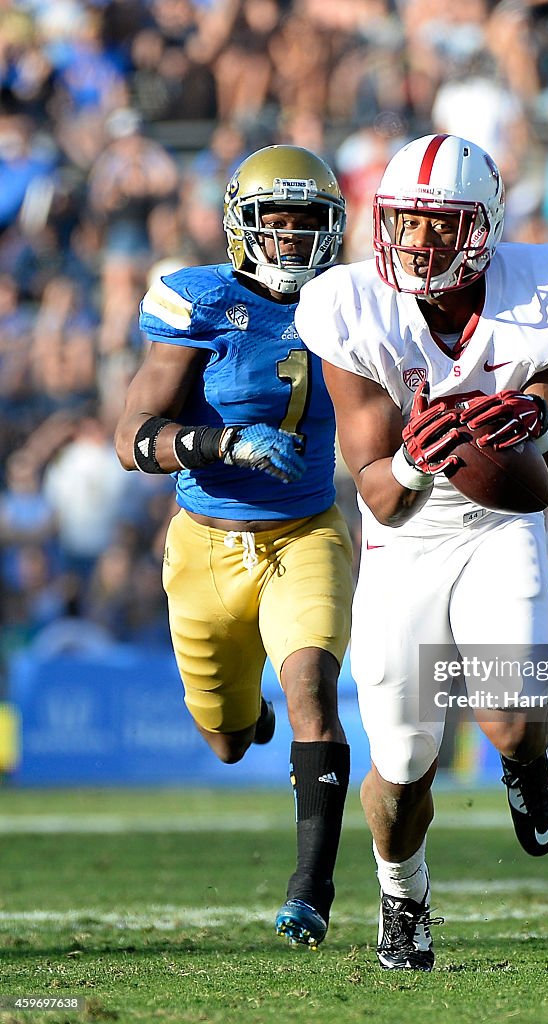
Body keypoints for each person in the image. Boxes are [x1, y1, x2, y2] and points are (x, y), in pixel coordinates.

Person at [294, 134, 548, 970]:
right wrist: (411, 454)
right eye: (405, 223)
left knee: (508, 721)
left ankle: (528, 767)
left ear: (484, 229)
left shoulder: (547, 292)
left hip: (499, 526)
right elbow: (381, 495)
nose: (418, 242)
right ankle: (404, 900)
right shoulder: (348, 306)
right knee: (401, 763)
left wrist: (532, 425)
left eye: (441, 226)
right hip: (406, 537)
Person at [114, 145, 354, 950]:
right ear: (242, 225)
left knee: (313, 690)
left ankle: (310, 891)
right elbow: (131, 438)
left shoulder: (354, 302)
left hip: (305, 530)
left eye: (306, 222)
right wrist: (223, 446)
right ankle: (242, 714)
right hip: (206, 543)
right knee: (225, 739)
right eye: (275, 221)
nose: (289, 238)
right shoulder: (199, 301)